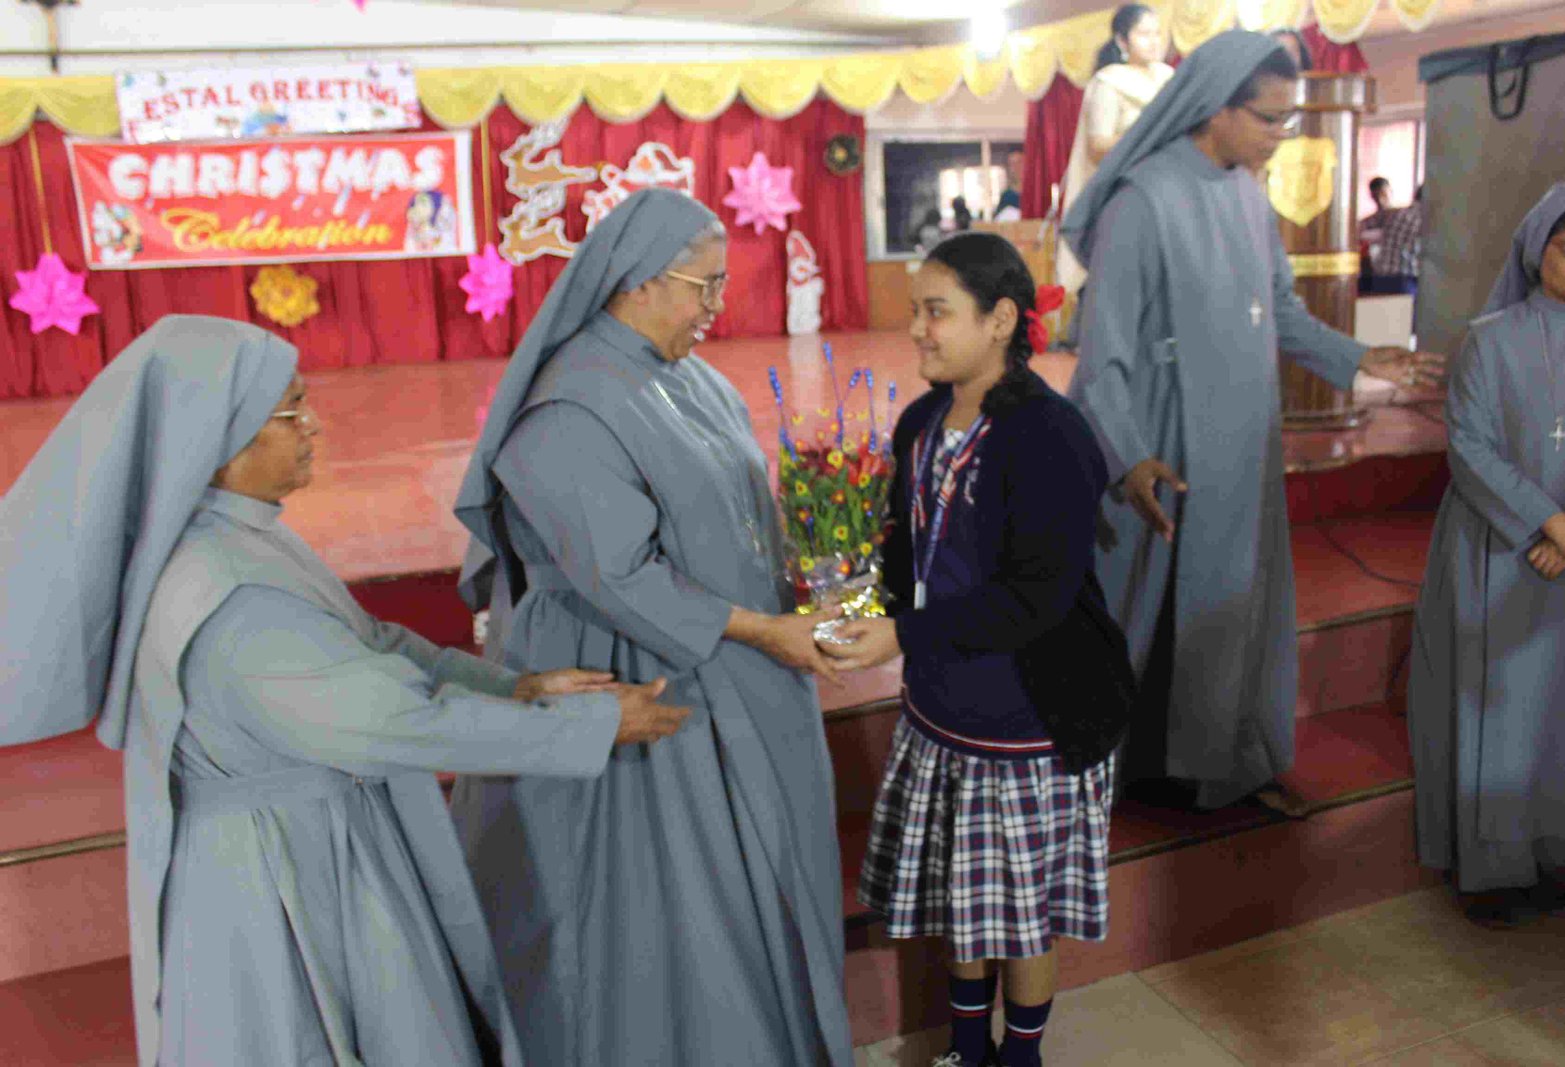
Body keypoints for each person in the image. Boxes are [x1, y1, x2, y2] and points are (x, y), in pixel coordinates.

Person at [0, 315, 689, 1067]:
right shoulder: (229, 598)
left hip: (310, 833)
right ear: (221, 439)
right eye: (291, 410)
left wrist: (515, 687)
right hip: (277, 871)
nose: (315, 427)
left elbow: (370, 643)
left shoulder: (240, 536)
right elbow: (392, 719)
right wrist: (585, 725)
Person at [451, 188, 854, 1065]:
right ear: (637, 281)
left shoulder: (690, 375)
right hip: (632, 676)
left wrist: (810, 575)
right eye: (703, 286)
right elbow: (620, 576)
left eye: (722, 285)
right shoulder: (567, 408)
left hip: (718, 650)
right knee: (657, 912)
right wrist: (761, 628)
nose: (717, 306)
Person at [1061, 31, 1444, 814]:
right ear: (1216, 108)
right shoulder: (1141, 201)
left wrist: (1362, 358)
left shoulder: (1247, 193)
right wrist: (1130, 458)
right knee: (1154, 604)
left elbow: (1284, 315)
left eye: (1288, 120)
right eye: (1270, 119)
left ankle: (1220, 762)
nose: (1281, 136)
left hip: (1241, 433)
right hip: (1160, 436)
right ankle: (1126, 771)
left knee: (1232, 599)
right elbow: (1104, 362)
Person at [821, 233, 1122, 1067]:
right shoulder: (922, 422)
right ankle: (965, 1050)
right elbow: (909, 558)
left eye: (937, 311)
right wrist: (856, 599)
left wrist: (902, 633)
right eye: (915, 310)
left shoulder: (1049, 434)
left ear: (1000, 320)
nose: (917, 328)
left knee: (1019, 919)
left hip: (1028, 717)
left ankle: (1018, 1058)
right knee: (964, 902)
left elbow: (1037, 596)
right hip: (943, 709)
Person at [1409, 183, 1565, 928]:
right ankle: (1492, 868)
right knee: (1499, 707)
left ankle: (1563, 850)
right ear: (1536, 253)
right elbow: (1470, 449)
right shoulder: (1490, 339)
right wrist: (1553, 526)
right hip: (1497, 545)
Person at [1054, 3, 1175, 298]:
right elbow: (1097, 146)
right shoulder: (1109, 82)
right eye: (1144, 34)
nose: (1154, 41)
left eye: (1157, 33)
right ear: (1122, 41)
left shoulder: (1169, 78)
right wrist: (1147, 135)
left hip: (1170, 193)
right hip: (1127, 194)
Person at [1372, 184, 1424, 294]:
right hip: (1405, 281)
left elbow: (1361, 225)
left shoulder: (1394, 213)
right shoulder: (1423, 219)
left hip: (1380, 279)